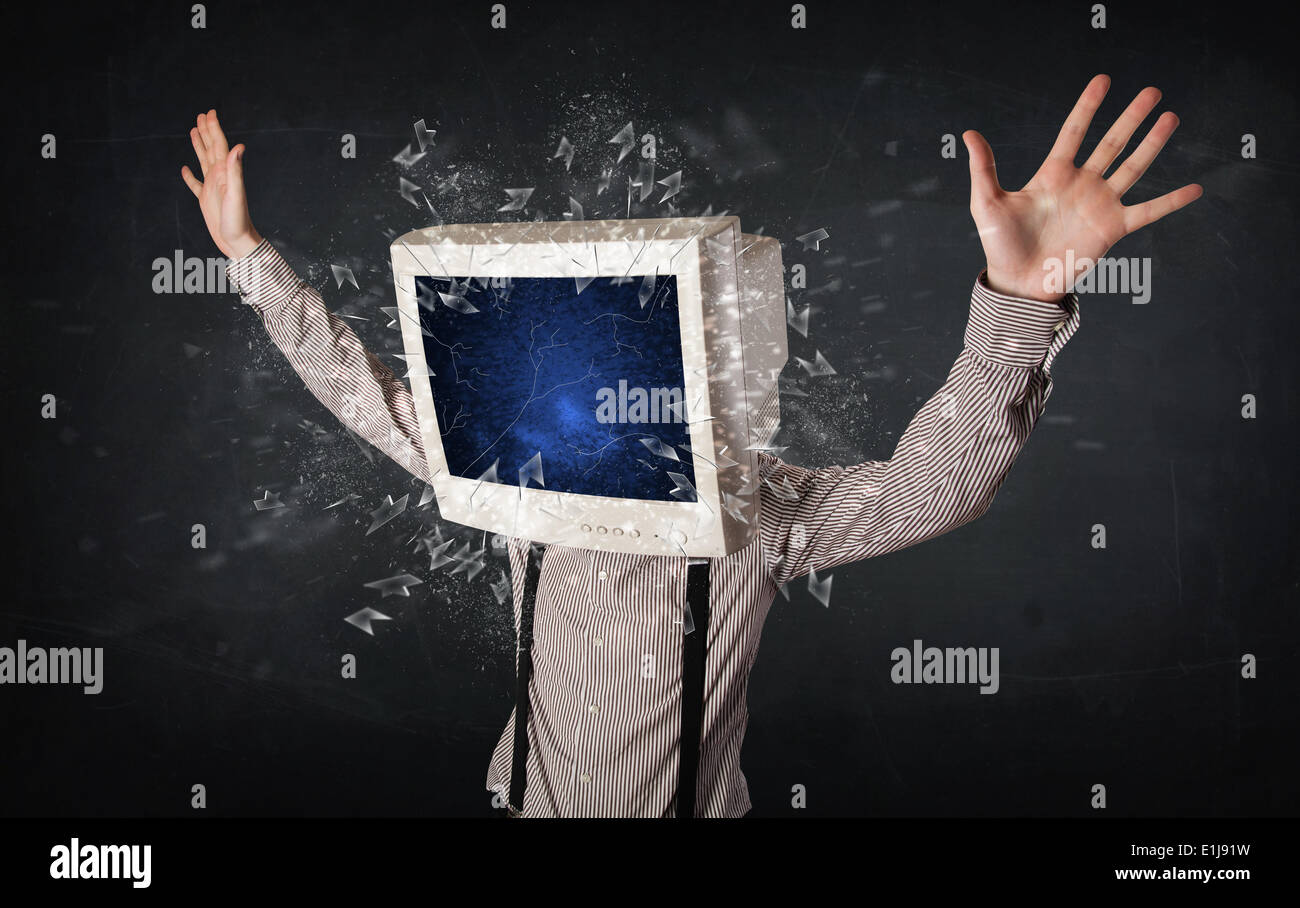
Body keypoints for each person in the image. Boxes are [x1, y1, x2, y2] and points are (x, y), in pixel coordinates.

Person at [180, 75, 1201, 817]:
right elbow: (361, 390)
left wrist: (1021, 299)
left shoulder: (754, 508)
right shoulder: (514, 468)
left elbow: (929, 487)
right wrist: (246, 256)